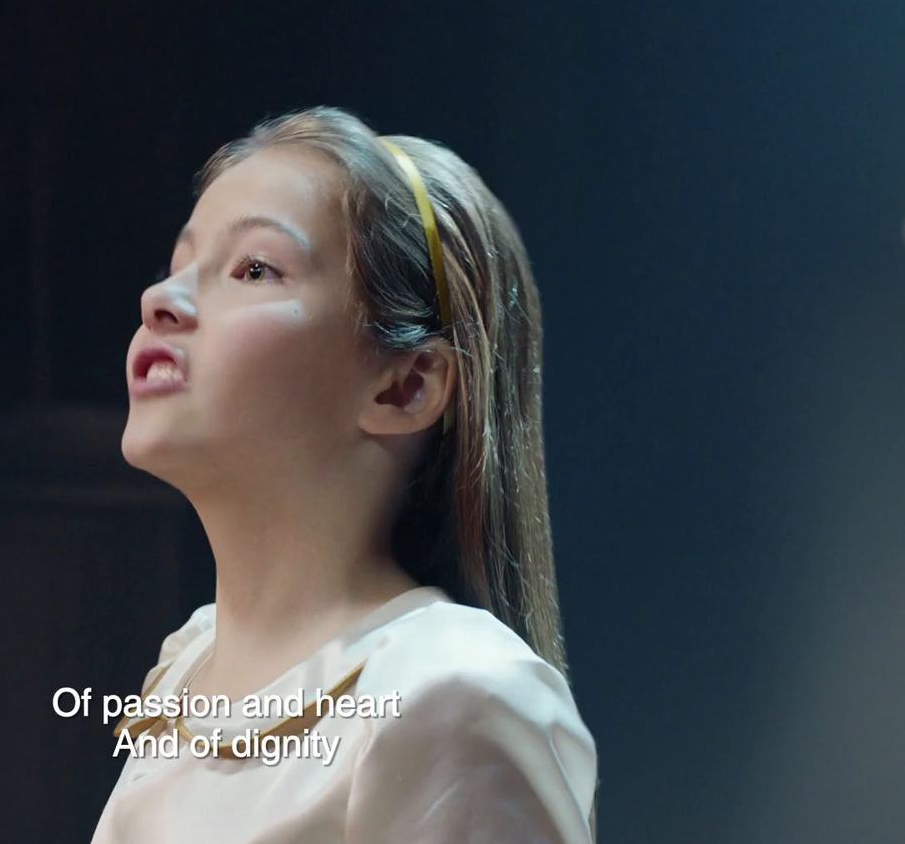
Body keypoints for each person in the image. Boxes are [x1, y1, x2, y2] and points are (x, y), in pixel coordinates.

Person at [93, 107, 597, 843]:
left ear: (406, 387)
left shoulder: (450, 693)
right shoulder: (186, 665)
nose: (159, 301)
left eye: (253, 268)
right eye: (177, 267)